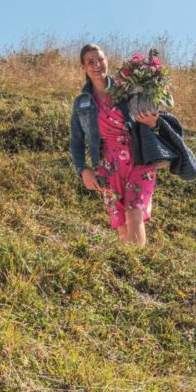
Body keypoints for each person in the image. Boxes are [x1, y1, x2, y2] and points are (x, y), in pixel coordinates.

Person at [70, 43, 161, 246]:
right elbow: (76, 142)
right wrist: (83, 170)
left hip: (139, 157)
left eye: (100, 59)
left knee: (134, 213)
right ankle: (130, 272)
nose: (97, 65)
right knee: (121, 224)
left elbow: (150, 119)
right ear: (83, 67)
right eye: (90, 62)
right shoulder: (82, 103)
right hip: (109, 167)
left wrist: (152, 122)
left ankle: (137, 268)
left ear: (106, 60)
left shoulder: (127, 89)